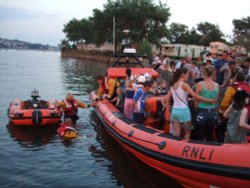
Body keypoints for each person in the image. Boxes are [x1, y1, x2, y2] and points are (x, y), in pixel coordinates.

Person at [163, 67, 215, 139]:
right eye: (187, 74)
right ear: (183, 74)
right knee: (188, 133)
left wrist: (168, 110)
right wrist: (209, 100)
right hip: (184, 111)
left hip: (174, 111)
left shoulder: (173, 85)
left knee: (176, 134)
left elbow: (167, 99)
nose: (188, 75)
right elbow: (195, 96)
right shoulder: (184, 85)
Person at [191, 65, 219, 141]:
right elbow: (215, 100)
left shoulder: (199, 84)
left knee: (199, 135)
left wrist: (196, 109)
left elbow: (196, 99)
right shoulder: (216, 85)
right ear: (213, 73)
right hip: (212, 111)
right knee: (209, 136)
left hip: (202, 110)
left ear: (204, 73)